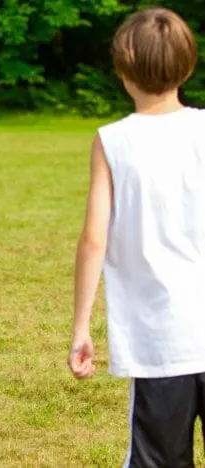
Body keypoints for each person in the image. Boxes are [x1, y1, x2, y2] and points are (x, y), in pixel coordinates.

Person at [66, 8, 204, 467]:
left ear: (123, 68)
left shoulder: (113, 141)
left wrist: (81, 327)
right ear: (188, 63)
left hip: (161, 341)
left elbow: (93, 240)